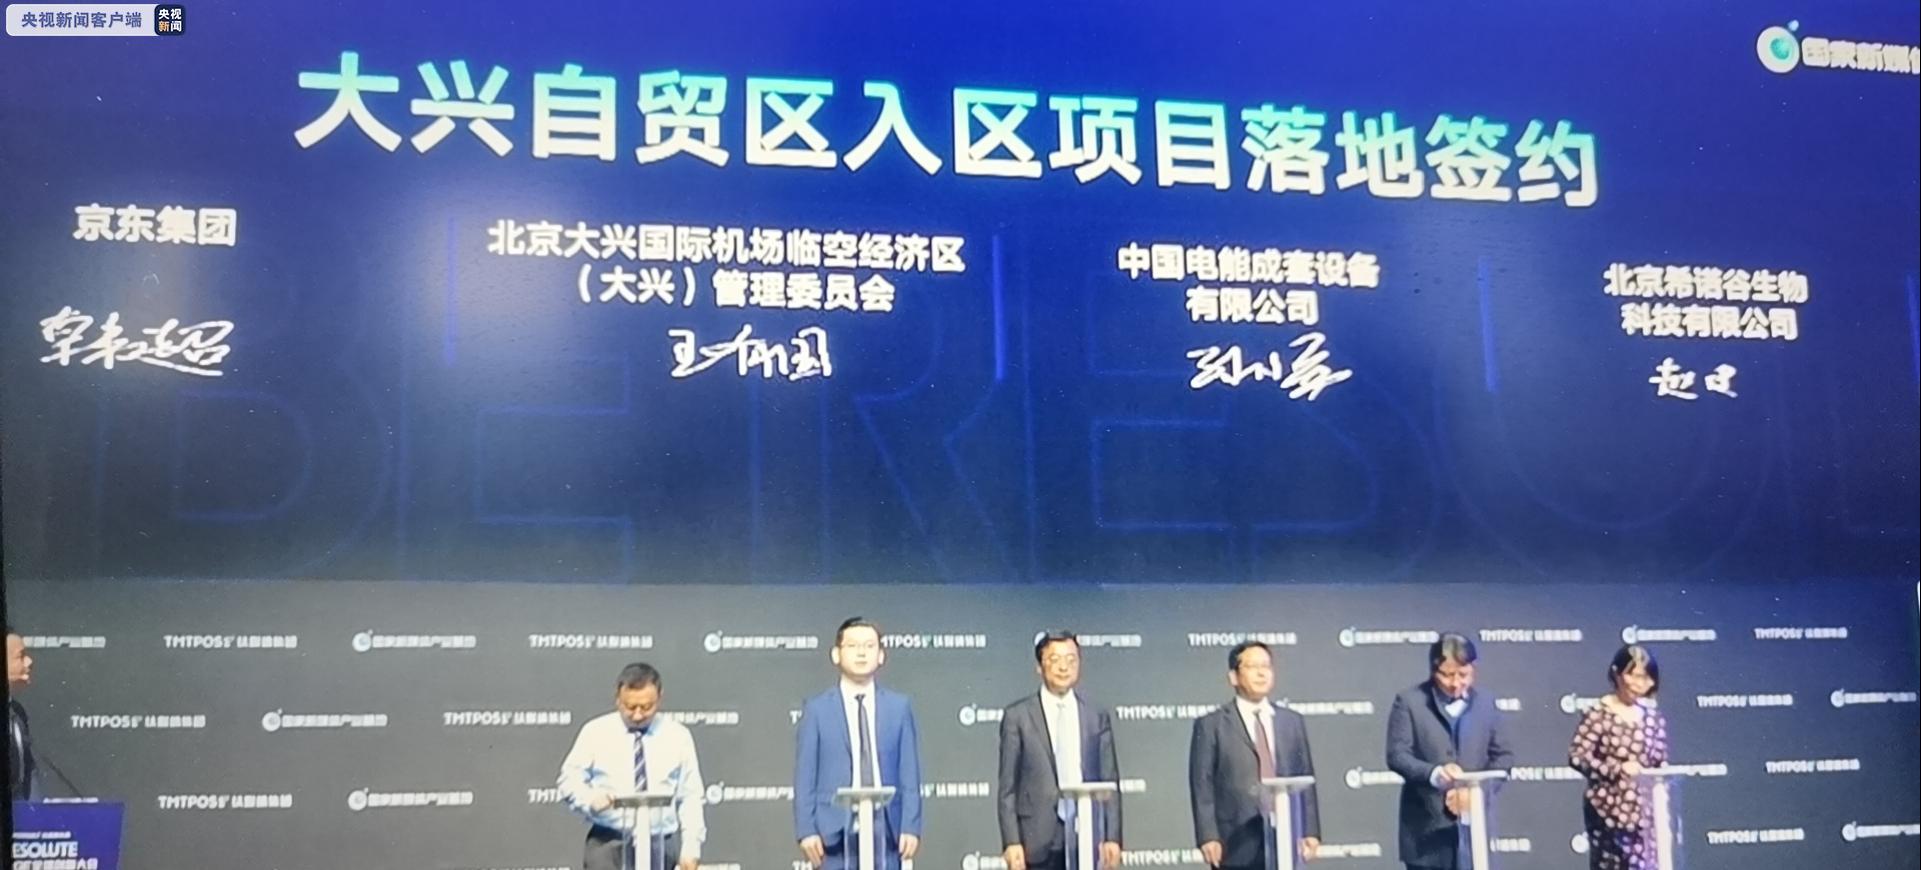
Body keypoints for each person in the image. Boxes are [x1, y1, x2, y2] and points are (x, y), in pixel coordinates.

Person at [794, 617, 923, 869]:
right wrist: (806, 829)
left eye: (869, 646)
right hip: (831, 832)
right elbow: (805, 775)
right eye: (853, 646)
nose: (861, 653)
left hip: (888, 829)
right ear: (836, 654)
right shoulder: (816, 709)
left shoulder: (899, 707)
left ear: (881, 655)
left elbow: (910, 773)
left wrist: (911, 825)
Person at [557, 663, 706, 870]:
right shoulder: (595, 732)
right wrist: (589, 799)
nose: (637, 715)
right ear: (617, 699)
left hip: (660, 843)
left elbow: (690, 796)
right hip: (608, 842)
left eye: (646, 707)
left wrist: (691, 847)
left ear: (660, 698)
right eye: (629, 707)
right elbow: (568, 781)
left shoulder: (677, 735)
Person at [1384, 633, 1514, 870]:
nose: (1455, 683)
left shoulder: (1486, 703)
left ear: (1473, 669)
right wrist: (1435, 774)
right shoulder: (1409, 702)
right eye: (1447, 675)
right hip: (1426, 835)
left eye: (1463, 675)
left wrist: (1476, 793)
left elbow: (1503, 757)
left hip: (1475, 829)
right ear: (1434, 671)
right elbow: (1397, 755)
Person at [997, 631, 1123, 870]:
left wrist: (1113, 837)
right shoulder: (1018, 716)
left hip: (1087, 835)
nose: (1064, 667)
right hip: (1036, 839)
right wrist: (1011, 841)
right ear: (1039, 667)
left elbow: (1110, 780)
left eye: (1071, 659)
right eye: (1055, 660)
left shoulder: (1096, 715)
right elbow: (1007, 788)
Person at [1189, 641, 1321, 869]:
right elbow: (1202, 784)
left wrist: (1310, 830)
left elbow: (1305, 777)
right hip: (1235, 840)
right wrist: (1208, 835)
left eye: (1266, 666)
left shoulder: (1292, 721)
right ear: (1233, 677)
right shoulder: (1211, 725)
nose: (1262, 673)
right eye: (1252, 667)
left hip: (1286, 835)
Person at [1568, 644, 1670, 870]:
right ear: (1617, 674)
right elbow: (1577, 756)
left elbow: (1660, 762)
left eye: (1646, 678)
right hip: (1607, 813)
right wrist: (1617, 769)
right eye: (1634, 676)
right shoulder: (1599, 715)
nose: (1639, 684)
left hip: (1646, 815)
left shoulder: (1653, 718)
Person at [7, 625, 39, 801]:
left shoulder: (17, 711)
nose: (29, 661)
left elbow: (29, 770)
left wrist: (35, 812)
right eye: (20, 656)